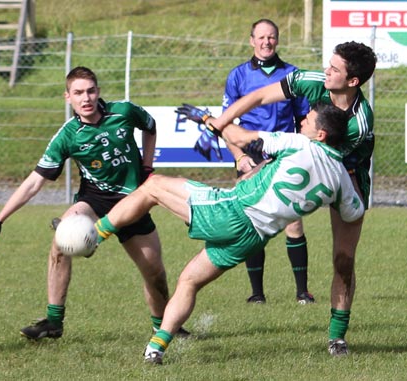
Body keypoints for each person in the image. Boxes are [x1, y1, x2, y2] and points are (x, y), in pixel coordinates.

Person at [94, 103, 364, 365]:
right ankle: (156, 349)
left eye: (309, 118)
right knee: (189, 280)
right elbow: (355, 212)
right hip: (254, 238)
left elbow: (242, 137)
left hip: (231, 212)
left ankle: (93, 236)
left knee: (152, 186)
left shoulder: (300, 143)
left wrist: (207, 119)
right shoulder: (340, 179)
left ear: (321, 135)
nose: (302, 120)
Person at [194, 41, 377, 356]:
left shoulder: (359, 122)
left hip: (346, 176)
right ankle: (208, 283)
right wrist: (222, 124)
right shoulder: (312, 82)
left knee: (343, 260)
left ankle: (337, 336)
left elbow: (326, 161)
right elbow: (259, 95)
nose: (326, 71)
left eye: (334, 69)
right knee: (255, 214)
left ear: (352, 82)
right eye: (328, 64)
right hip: (302, 163)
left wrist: (257, 149)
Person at [0, 66, 188, 339]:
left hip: (134, 201)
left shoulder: (123, 112)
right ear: (68, 97)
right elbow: (34, 182)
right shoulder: (68, 135)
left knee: (155, 274)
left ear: (98, 92)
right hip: (95, 200)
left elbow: (150, 127)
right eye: (78, 93)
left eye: (90, 91)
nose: (85, 98)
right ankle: (54, 322)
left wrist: (147, 167)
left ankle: (163, 325)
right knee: (60, 242)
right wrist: (0, 218)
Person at [222, 19, 312, 305]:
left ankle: (302, 292)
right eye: (261, 37)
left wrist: (301, 150)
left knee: (293, 224)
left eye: (271, 37)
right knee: (252, 224)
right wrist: (240, 157)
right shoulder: (237, 76)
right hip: (251, 155)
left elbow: (304, 120)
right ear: (251, 40)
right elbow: (226, 124)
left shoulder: (292, 74)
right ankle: (257, 294)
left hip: (284, 154)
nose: (266, 42)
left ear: (277, 40)